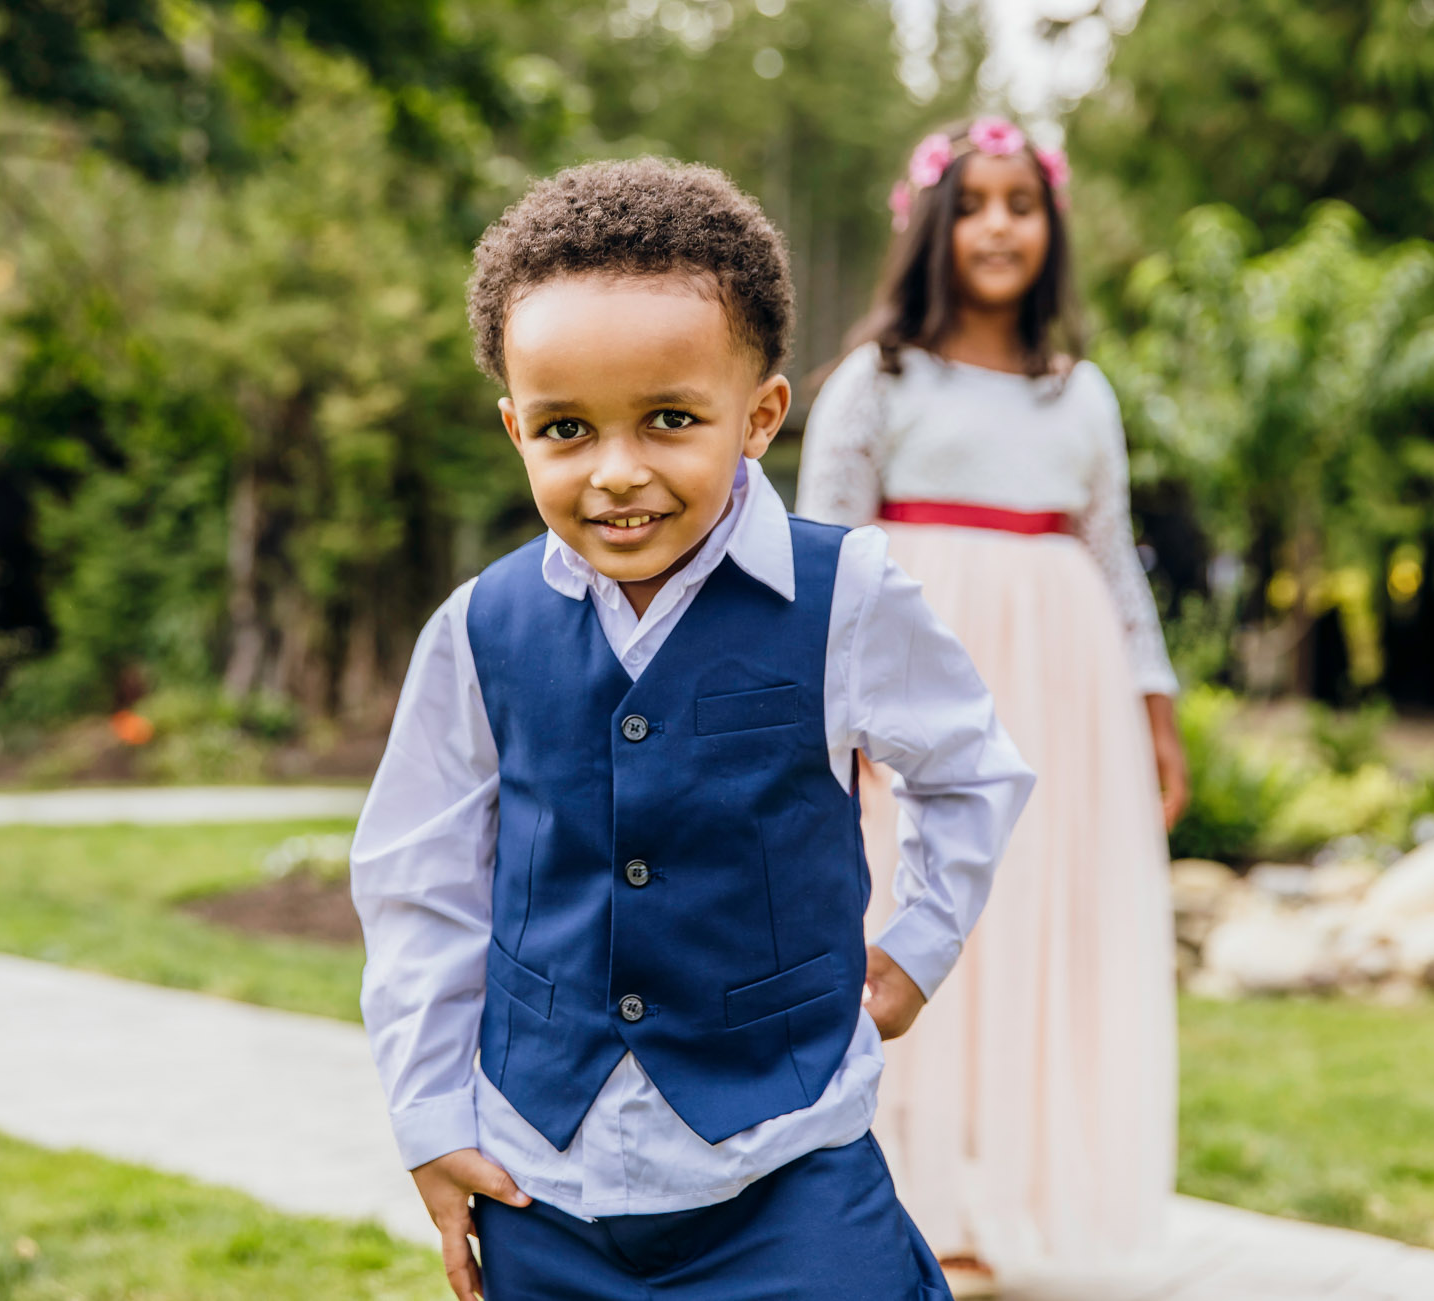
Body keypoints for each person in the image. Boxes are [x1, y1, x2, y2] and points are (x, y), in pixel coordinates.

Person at [351, 156, 1035, 1301]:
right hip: (541, 1181)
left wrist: (916, 949)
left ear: (759, 415)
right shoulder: (479, 628)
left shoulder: (847, 597)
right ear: (515, 427)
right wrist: (427, 1115)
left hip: (788, 1170)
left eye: (669, 420)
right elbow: (417, 879)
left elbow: (971, 774)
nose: (616, 473)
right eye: (565, 430)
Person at [796, 119, 1186, 1294]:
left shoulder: (1081, 395)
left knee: (1034, 940)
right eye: (973, 203)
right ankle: (918, 1204)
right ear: (932, 225)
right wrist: (827, 716)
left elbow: (1116, 565)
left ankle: (1009, 1193)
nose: (999, 224)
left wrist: (1154, 716)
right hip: (917, 690)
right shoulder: (878, 381)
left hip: (1065, 708)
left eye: (1020, 203)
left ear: (1050, 226)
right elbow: (821, 552)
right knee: (915, 927)